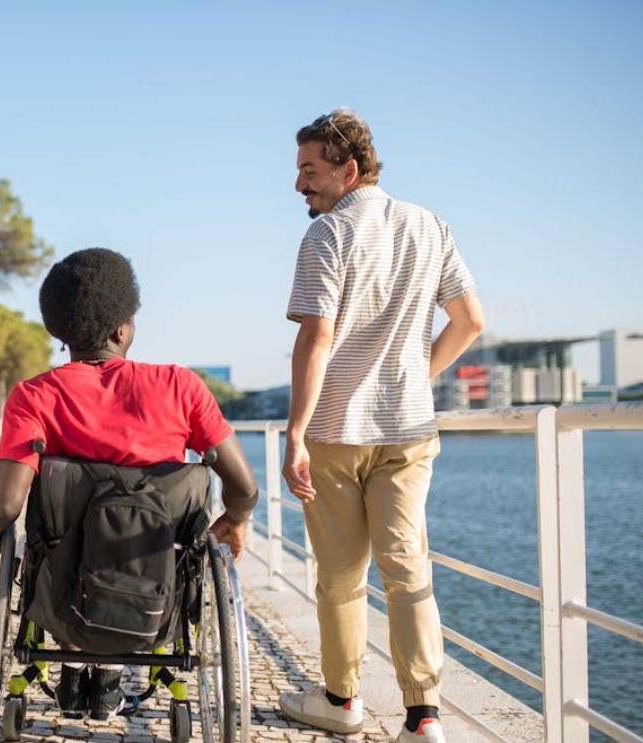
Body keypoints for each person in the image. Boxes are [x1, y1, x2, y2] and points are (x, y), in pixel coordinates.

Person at [0, 248, 260, 720]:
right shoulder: (181, 387)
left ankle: (79, 657)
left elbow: (4, 503)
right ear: (123, 328)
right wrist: (237, 520)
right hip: (156, 590)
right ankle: (111, 670)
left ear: (56, 329)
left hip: (59, 595)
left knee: (66, 538)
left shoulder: (35, 395)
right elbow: (243, 488)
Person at [277, 109, 484, 743]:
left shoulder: (327, 236)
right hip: (409, 429)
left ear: (349, 170)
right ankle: (424, 717)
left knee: (341, 576)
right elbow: (470, 320)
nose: (299, 186)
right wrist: (417, 375)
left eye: (310, 172)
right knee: (407, 568)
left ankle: (341, 701)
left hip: (337, 432)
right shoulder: (430, 225)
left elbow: (317, 337)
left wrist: (293, 434)